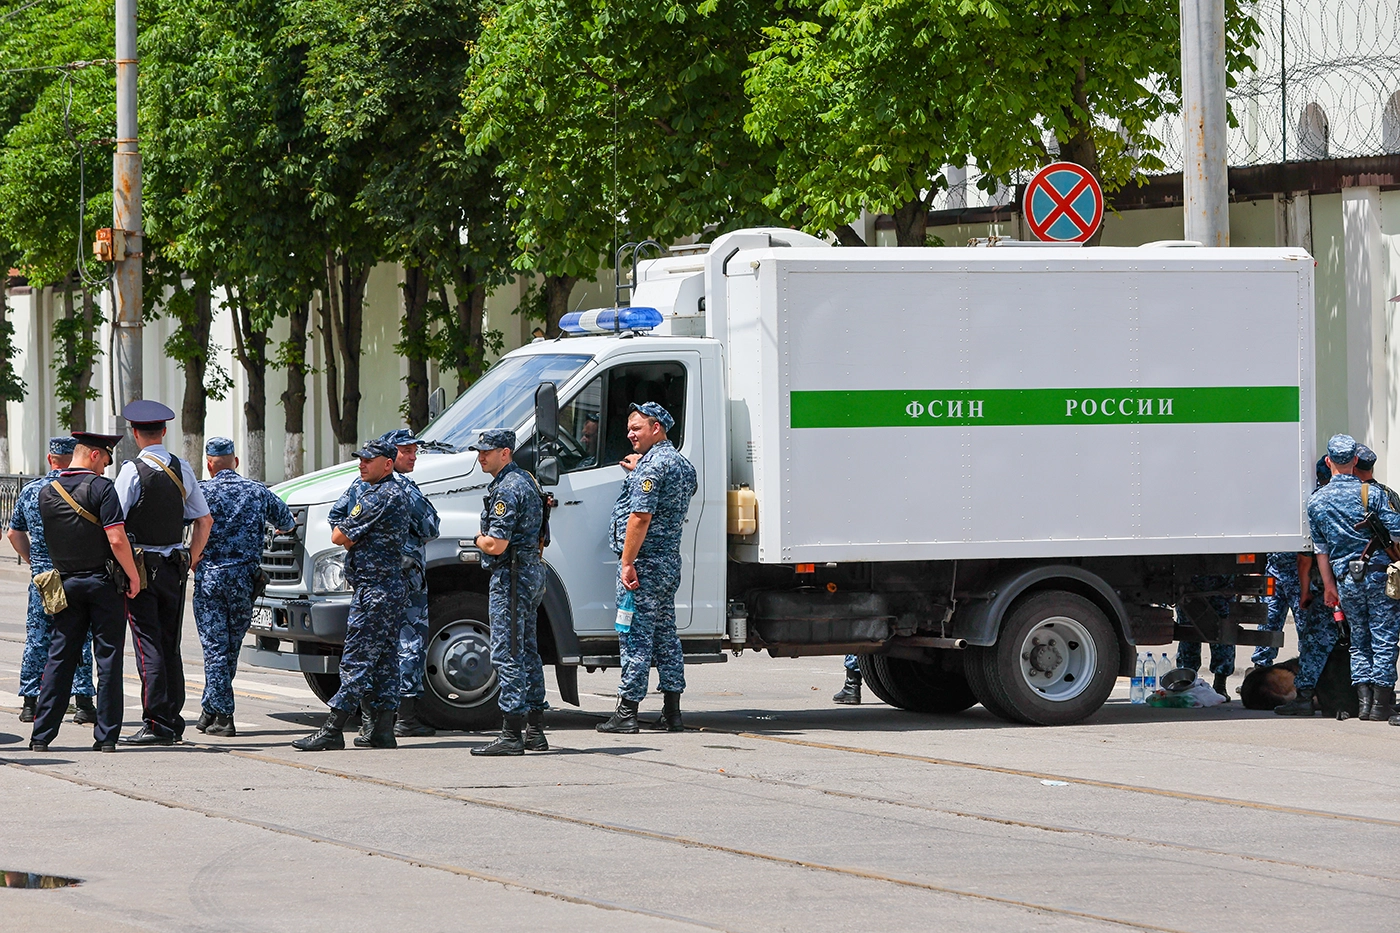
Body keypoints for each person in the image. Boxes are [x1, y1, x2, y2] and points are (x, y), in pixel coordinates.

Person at [293, 439, 410, 751]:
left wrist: (349, 535)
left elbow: (338, 534)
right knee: (384, 661)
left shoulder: (379, 496)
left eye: (369, 460)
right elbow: (341, 525)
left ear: (388, 463)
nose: (362, 464)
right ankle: (382, 729)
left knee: (356, 659)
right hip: (386, 588)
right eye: (361, 459)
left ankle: (333, 728)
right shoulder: (389, 492)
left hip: (374, 590)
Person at [28, 432, 142, 752]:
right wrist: (133, 576)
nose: (106, 468)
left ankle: (41, 735)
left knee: (59, 659)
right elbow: (117, 539)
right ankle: (106, 738)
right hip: (103, 584)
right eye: (105, 460)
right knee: (107, 660)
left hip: (65, 584)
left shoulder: (47, 492)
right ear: (93, 455)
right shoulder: (101, 488)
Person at [114, 400, 213, 745]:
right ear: (165, 432)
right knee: (169, 643)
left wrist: (127, 572)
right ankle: (172, 718)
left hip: (141, 568)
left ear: (135, 434)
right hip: (174, 566)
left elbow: (115, 524)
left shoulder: (131, 472)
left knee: (147, 644)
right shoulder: (182, 468)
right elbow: (204, 520)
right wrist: (192, 557)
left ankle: (156, 722)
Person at [598, 402, 697, 734]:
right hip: (668, 564)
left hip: (643, 566)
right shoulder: (682, 465)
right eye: (629, 428)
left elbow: (640, 517)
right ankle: (673, 711)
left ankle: (627, 712)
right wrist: (640, 471)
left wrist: (627, 562)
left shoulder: (652, 467)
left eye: (637, 428)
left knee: (634, 636)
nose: (630, 434)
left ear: (657, 428)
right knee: (666, 637)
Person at [193, 437, 295, 737]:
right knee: (230, 647)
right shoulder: (257, 490)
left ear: (209, 464)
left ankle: (223, 715)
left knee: (215, 648)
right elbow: (287, 522)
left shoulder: (201, 491)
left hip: (211, 576)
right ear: (235, 462)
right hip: (244, 579)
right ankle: (210, 708)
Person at [467, 429, 549, 756]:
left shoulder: (507, 489)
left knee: (506, 651)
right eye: (479, 451)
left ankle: (512, 733)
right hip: (531, 570)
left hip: (511, 575)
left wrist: (477, 540)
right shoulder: (527, 480)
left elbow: (496, 543)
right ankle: (536, 730)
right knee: (527, 649)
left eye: (487, 451)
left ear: (505, 453)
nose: (480, 457)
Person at [1308, 434, 1400, 721]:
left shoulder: (1316, 501)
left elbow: (1320, 551)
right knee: (1383, 637)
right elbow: (1396, 532)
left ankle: (1362, 703)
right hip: (1377, 575)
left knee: (1358, 640)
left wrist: (1329, 587)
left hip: (1345, 580)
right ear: (1355, 460)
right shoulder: (1372, 494)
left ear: (1328, 461)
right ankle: (1380, 704)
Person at [8, 437, 97, 725]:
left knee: (38, 637)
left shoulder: (32, 490)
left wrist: (34, 561)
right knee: (80, 637)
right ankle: (83, 702)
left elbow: (14, 533)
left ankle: (30, 703)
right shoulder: (84, 487)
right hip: (77, 571)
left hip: (44, 576)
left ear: (50, 459)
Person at [376, 428, 441, 738]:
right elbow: (431, 526)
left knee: (377, 643)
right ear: (391, 456)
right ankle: (406, 717)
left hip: (374, 576)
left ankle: (375, 716)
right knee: (409, 642)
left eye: (415, 450)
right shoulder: (405, 488)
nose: (414, 456)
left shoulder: (365, 484)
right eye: (407, 451)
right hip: (405, 576)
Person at [1273, 458, 1340, 716]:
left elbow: (1305, 557)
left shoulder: (1316, 502)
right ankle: (1371, 700)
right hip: (1363, 581)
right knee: (1365, 642)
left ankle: (1304, 698)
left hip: (1328, 585)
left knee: (1314, 642)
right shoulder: (1371, 495)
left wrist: (1305, 592)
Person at [1174, 576, 1235, 700]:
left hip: (1211, 579)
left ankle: (1219, 684)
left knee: (1220, 631)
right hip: (1200, 579)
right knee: (1191, 632)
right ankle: (1187, 681)